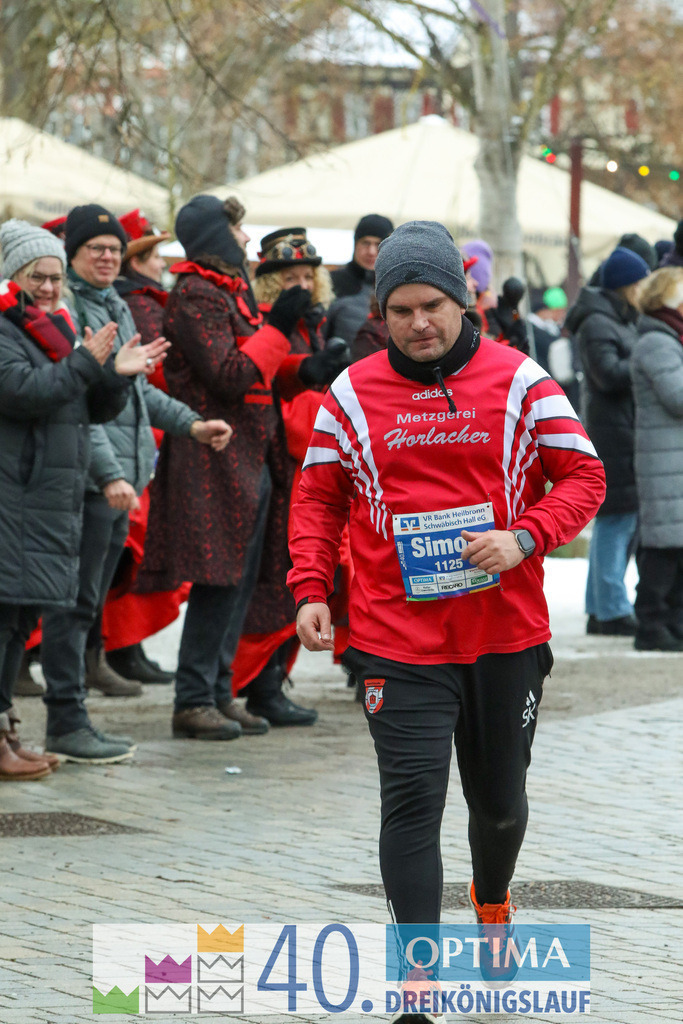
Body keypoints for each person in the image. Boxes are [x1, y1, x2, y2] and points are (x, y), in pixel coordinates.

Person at [288, 221, 605, 990]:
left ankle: (490, 902)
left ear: (463, 303)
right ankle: (416, 981)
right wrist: (308, 588)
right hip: (395, 640)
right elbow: (317, 498)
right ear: (380, 313)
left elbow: (584, 478)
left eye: (432, 305)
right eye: (399, 310)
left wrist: (523, 537)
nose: (418, 323)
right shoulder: (352, 393)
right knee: (412, 806)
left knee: (497, 807)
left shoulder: (521, 380)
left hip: (503, 635)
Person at [39, 204, 232, 764]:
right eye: (94, 247)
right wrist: (110, 475)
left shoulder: (117, 304)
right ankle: (65, 721)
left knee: (88, 602)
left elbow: (137, 393)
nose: (106, 255)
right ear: (72, 254)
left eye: (112, 247)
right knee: (72, 606)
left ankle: (73, 717)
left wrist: (192, 424)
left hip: (121, 478)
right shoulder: (66, 307)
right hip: (89, 480)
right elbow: (79, 406)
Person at [137, 197, 314, 740]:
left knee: (237, 577)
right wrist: (280, 329)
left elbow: (254, 372)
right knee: (217, 579)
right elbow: (230, 375)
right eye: (235, 228)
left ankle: (217, 691)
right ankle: (193, 699)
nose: (243, 238)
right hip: (213, 455)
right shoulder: (195, 295)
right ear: (214, 235)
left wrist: (303, 368)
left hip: (247, 453)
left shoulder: (222, 292)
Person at [0, 218, 166, 777]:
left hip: (49, 498)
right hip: (16, 499)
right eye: (36, 277)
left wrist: (114, 377)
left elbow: (86, 407)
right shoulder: (6, 331)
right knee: (5, 622)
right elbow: (27, 393)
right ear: (11, 277)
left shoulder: (51, 328)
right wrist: (87, 363)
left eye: (53, 278)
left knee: (22, 620)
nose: (49, 288)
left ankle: (7, 731)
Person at [220, 227, 348, 726]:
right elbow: (267, 384)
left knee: (293, 572)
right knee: (275, 578)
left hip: (305, 469)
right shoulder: (268, 323)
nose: (301, 284)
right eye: (289, 276)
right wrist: (311, 380)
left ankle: (272, 678)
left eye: (306, 275)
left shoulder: (312, 322)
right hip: (279, 464)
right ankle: (257, 683)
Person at [566, 246, 650, 636]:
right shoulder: (599, 321)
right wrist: (647, 362)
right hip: (611, 430)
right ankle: (611, 608)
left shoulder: (617, 318)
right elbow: (607, 374)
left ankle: (602, 607)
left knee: (617, 521)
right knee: (616, 521)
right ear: (624, 286)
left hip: (622, 427)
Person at [631, 267, 683, 651]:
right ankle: (650, 623)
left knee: (675, 544)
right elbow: (676, 395)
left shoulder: (668, 336)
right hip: (664, 457)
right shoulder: (656, 341)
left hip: (672, 455)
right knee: (664, 545)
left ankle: (672, 621)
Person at [325, 214, 393, 344]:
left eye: (378, 244)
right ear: (355, 244)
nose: (371, 251)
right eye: (366, 243)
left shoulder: (397, 285)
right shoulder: (332, 283)